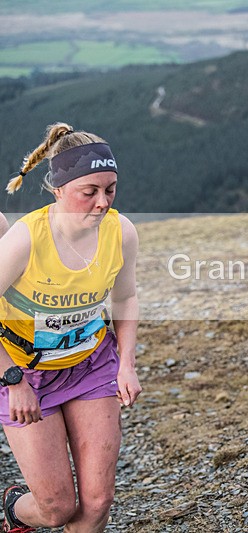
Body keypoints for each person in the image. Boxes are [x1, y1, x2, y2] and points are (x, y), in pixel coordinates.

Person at [0, 123, 141, 532]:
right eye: (89, 191)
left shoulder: (122, 232)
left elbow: (125, 298)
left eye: (110, 189)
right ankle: (14, 510)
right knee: (57, 509)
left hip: (91, 366)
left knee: (97, 502)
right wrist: (13, 380)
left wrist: (126, 363)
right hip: (25, 373)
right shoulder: (26, 239)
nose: (102, 202)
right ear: (58, 189)